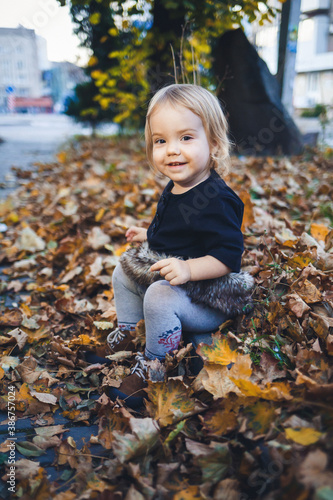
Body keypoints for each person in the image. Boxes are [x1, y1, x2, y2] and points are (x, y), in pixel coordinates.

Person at [90, 84, 253, 408]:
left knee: (159, 295)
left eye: (186, 138)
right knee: (124, 271)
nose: (172, 150)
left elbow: (228, 256)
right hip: (182, 286)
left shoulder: (217, 199)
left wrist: (189, 268)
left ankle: (155, 367)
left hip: (209, 297)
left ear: (215, 144)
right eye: (160, 141)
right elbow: (177, 233)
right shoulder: (177, 185)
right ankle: (129, 332)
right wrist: (149, 236)